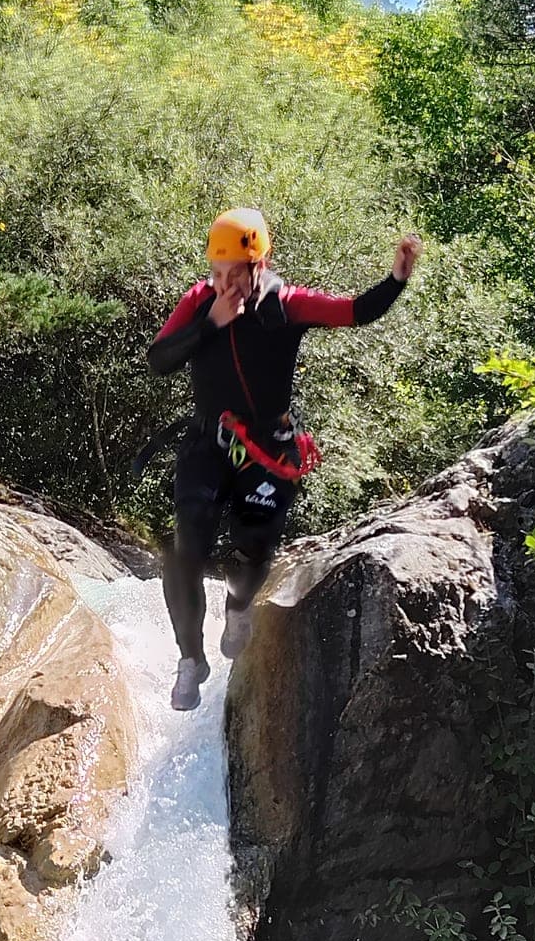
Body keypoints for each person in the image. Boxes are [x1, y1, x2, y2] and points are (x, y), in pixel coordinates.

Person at [149, 206, 421, 709]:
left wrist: (396, 279)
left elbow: (353, 311)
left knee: (254, 543)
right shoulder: (199, 302)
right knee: (185, 546)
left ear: (259, 263)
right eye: (216, 271)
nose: (224, 281)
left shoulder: (286, 304)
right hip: (208, 443)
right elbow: (159, 359)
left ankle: (238, 605)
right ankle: (191, 659)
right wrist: (210, 323)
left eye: (234, 272)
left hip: (269, 448)